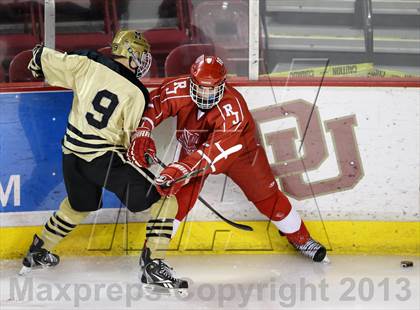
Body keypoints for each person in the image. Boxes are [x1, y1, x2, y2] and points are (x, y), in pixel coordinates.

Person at [128, 55, 329, 293]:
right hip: (195, 152)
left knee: (268, 198)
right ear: (191, 81)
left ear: (223, 85)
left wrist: (180, 168)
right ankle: (152, 255)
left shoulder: (233, 107)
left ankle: (301, 238)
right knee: (176, 201)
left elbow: (215, 151)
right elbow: (155, 105)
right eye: (200, 88)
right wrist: (142, 131)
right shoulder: (178, 88)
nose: (205, 95)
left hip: (240, 155)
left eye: (212, 89)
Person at [20, 30, 168, 276]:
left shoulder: (87, 62)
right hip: (103, 159)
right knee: (164, 200)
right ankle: (154, 265)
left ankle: (39, 250)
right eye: (141, 55)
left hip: (71, 155)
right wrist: (144, 156)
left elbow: (38, 58)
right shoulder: (137, 92)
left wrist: (42, 62)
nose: (142, 61)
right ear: (131, 54)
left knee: (80, 205)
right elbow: (130, 144)